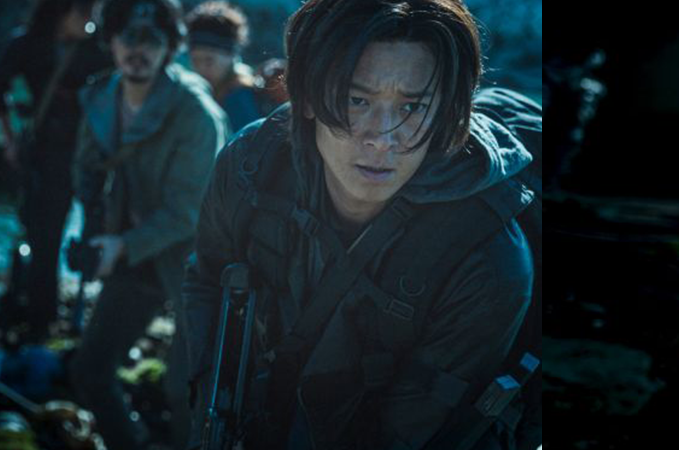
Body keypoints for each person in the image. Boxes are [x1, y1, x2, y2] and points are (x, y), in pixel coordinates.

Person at [181, 0, 542, 448]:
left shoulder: (488, 259)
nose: (382, 137)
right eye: (357, 100)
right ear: (307, 97)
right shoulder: (251, 168)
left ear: (445, 112)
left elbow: (409, 431)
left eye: (412, 106)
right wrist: (207, 406)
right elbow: (207, 279)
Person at [64, 0, 228, 448]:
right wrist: (96, 231)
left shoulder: (196, 114)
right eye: (128, 38)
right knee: (91, 369)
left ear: (170, 47)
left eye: (152, 40)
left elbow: (189, 211)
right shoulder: (101, 98)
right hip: (134, 252)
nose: (138, 51)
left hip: (195, 262)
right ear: (111, 41)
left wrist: (120, 246)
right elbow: (86, 172)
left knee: (186, 390)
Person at [0, 0, 111, 340]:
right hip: (46, 153)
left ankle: (81, 316)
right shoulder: (28, 44)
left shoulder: (97, 46)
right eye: (83, 13)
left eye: (93, 14)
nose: (90, 21)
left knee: (96, 231)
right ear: (61, 11)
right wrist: (10, 139)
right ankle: (41, 319)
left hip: (91, 153)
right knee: (44, 236)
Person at [184, 1, 272, 133]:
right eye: (196, 61)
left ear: (230, 55)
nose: (201, 68)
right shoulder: (200, 92)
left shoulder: (240, 98)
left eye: (209, 60)